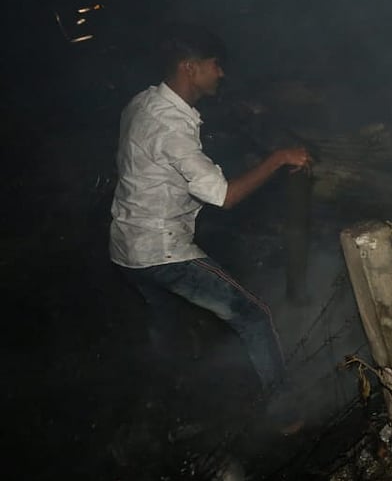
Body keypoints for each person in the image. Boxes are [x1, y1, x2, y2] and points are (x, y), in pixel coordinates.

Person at [110, 23, 312, 395]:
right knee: (254, 316)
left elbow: (169, 151)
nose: (221, 72)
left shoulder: (142, 102)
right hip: (162, 250)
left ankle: (168, 389)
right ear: (190, 67)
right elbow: (224, 196)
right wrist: (280, 157)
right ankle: (286, 411)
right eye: (215, 64)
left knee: (165, 319)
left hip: (125, 246)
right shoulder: (172, 127)